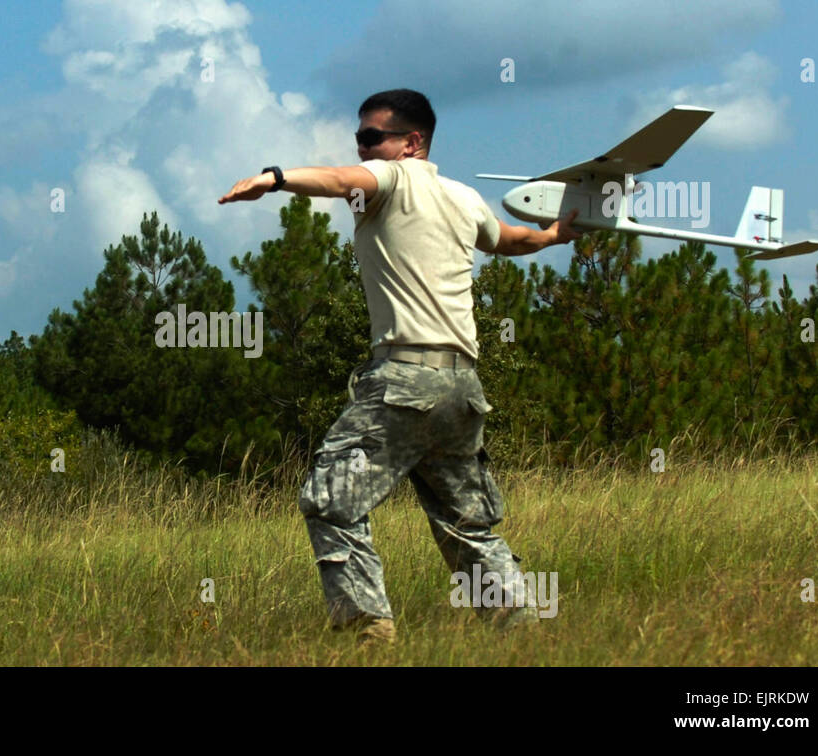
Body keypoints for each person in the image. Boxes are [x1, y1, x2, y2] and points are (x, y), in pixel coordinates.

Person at [219, 88, 581, 646]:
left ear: (412, 143)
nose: (362, 148)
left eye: (372, 138)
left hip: (405, 379)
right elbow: (510, 241)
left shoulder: (393, 179)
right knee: (467, 525)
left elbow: (342, 181)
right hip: (462, 387)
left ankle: (368, 627)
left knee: (330, 499)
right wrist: (556, 235)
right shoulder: (463, 198)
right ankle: (522, 632)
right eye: (358, 137)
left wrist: (274, 178)